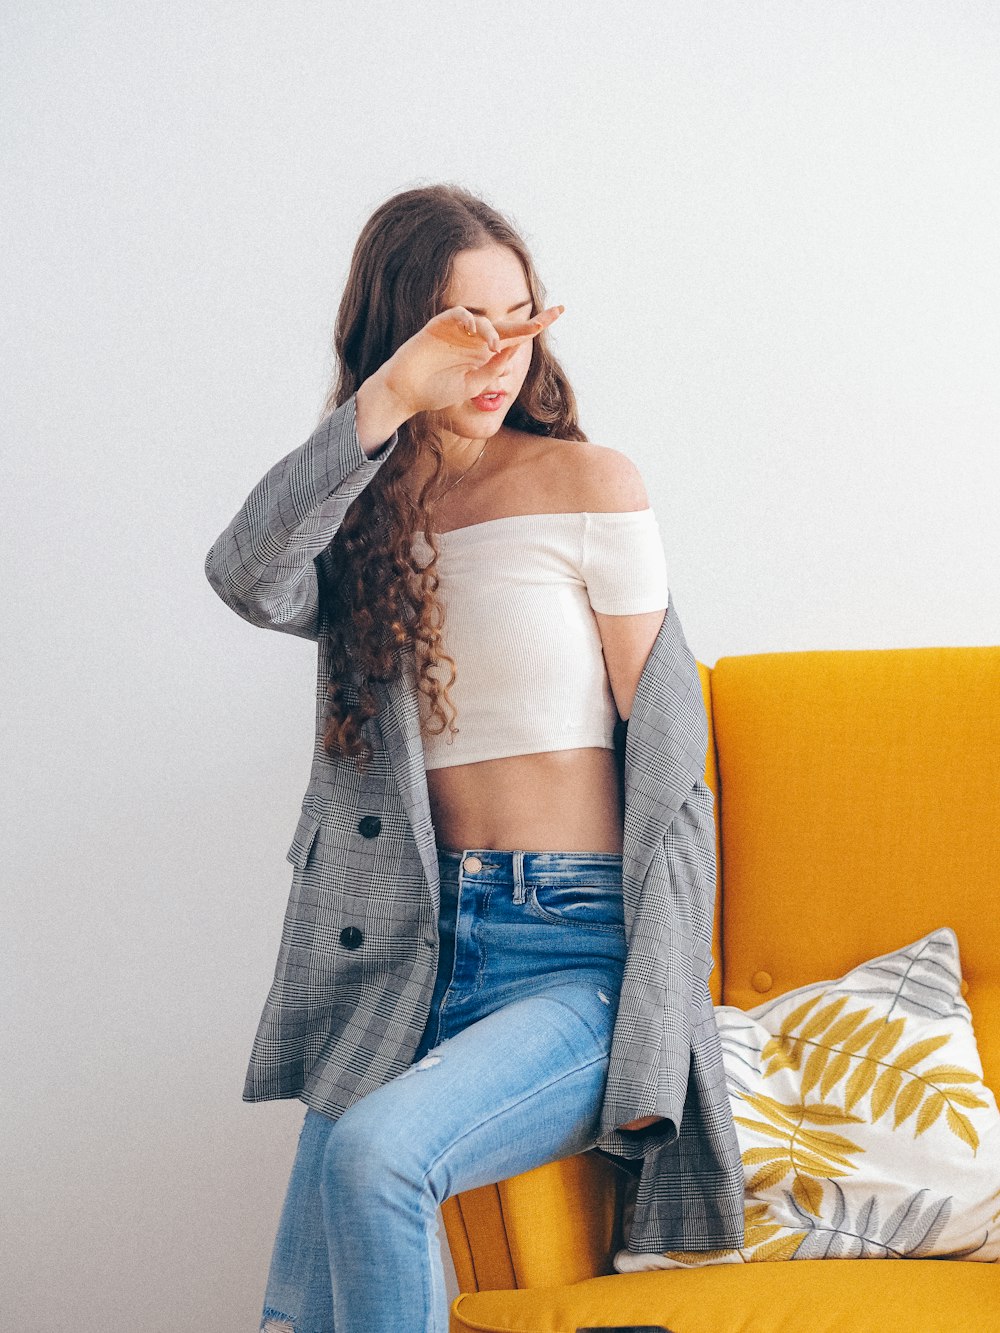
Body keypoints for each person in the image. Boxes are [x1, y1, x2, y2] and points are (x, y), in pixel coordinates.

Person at [204, 183, 742, 1333]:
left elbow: (672, 775)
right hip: (415, 953)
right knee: (298, 1314)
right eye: (463, 326)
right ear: (397, 337)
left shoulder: (590, 484)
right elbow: (245, 574)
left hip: (573, 953)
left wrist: (666, 999)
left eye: (518, 315)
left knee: (376, 1160)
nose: (499, 352)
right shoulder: (360, 522)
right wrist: (391, 398)